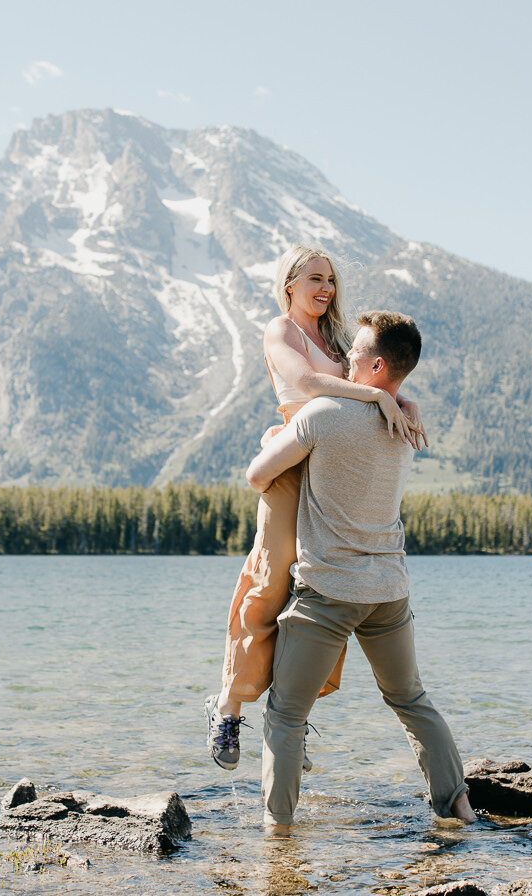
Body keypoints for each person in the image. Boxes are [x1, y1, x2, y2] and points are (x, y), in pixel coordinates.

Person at [244, 310, 476, 834]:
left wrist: (270, 441)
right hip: (389, 591)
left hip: (328, 591)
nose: (342, 360)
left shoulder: (325, 412)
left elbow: (257, 476)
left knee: (286, 714)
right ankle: (459, 808)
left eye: (352, 355)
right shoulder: (405, 420)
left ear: (374, 365)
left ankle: (277, 834)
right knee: (411, 700)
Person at [205, 246, 426, 771]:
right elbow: (305, 385)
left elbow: (378, 375)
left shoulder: (339, 338)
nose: (325, 288)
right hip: (288, 466)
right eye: (314, 279)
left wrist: (403, 399)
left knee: (323, 588)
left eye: (330, 279)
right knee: (269, 584)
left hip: (329, 471)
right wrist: (376, 399)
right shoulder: (280, 331)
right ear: (289, 284)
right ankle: (229, 707)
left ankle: (291, 718)